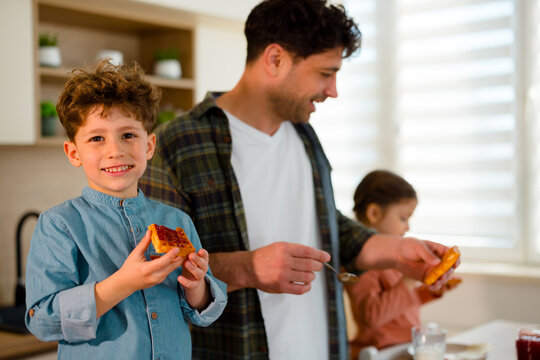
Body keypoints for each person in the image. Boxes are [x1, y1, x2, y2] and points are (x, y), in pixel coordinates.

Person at [140, 0, 457, 359]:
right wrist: (248, 267)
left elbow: (327, 227)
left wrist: (397, 252)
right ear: (275, 59)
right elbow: (157, 268)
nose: (333, 90)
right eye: (325, 73)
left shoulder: (306, 137)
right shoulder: (177, 143)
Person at [24, 60, 227, 359]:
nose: (115, 150)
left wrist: (196, 286)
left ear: (149, 145)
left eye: (128, 135)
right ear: (73, 153)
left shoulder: (177, 220)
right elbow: (41, 320)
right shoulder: (59, 225)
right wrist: (124, 283)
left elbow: (200, 313)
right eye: (96, 138)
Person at [345, 170, 461, 359]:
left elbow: (400, 307)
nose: (408, 227)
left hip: (403, 348)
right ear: (374, 213)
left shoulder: (395, 261)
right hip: (378, 352)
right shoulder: (361, 263)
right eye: (403, 218)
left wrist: (428, 292)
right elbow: (371, 316)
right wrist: (408, 280)